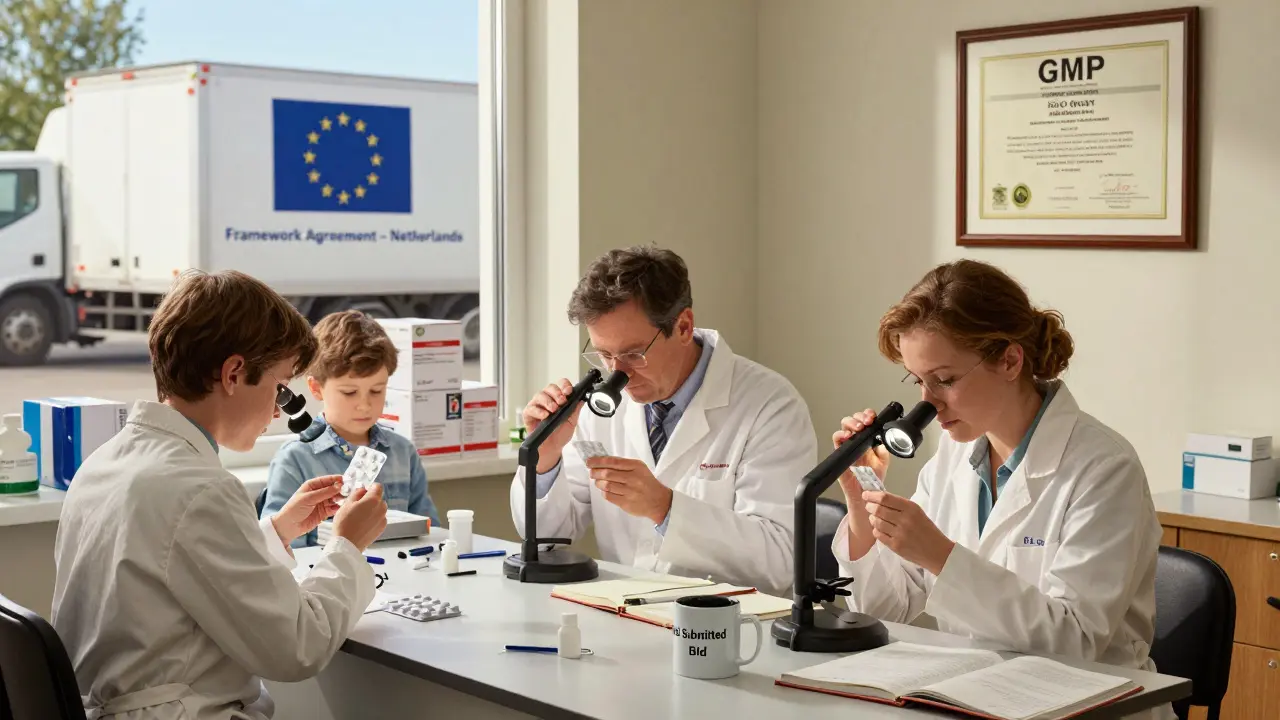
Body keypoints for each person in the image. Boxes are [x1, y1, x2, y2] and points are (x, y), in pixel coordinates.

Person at [831, 259, 1171, 719]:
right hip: (981, 698)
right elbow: (886, 609)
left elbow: (1077, 641)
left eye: (945, 380)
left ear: (1010, 360)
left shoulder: (1104, 468)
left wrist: (941, 556)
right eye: (919, 381)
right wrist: (861, 503)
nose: (927, 403)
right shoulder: (953, 458)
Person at [51, 270, 389, 720]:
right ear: (233, 373)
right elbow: (297, 647)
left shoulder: (105, 463)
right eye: (280, 386)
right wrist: (347, 546)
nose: (277, 410)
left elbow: (169, 567)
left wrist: (277, 529)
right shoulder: (199, 488)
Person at [511, 245, 816, 596]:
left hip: (728, 628)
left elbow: (780, 560)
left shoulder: (770, 405)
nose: (617, 374)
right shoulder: (599, 405)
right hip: (626, 615)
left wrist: (666, 509)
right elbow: (549, 539)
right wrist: (545, 458)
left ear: (683, 326)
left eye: (633, 353)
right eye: (604, 354)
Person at [263, 309, 439, 547]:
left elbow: (430, 531)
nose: (365, 405)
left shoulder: (402, 452)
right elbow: (282, 547)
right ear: (316, 388)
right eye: (349, 392)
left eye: (377, 390)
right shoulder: (296, 459)